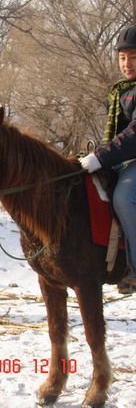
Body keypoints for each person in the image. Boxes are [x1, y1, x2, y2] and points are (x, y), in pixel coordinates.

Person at [80, 25, 136, 294]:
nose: (127, 63)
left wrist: (101, 157)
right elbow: (114, 134)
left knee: (124, 198)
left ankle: (134, 269)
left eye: (134, 57)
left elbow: (134, 134)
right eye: (123, 57)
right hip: (122, 159)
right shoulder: (119, 91)